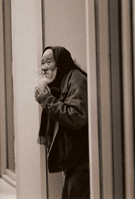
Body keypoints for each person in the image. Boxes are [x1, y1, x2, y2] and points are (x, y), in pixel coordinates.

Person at [34, 46, 89, 199]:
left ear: (61, 62)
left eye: (48, 62)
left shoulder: (76, 79)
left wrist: (47, 100)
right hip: (73, 161)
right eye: (42, 63)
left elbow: (77, 117)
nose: (44, 68)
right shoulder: (62, 82)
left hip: (81, 162)